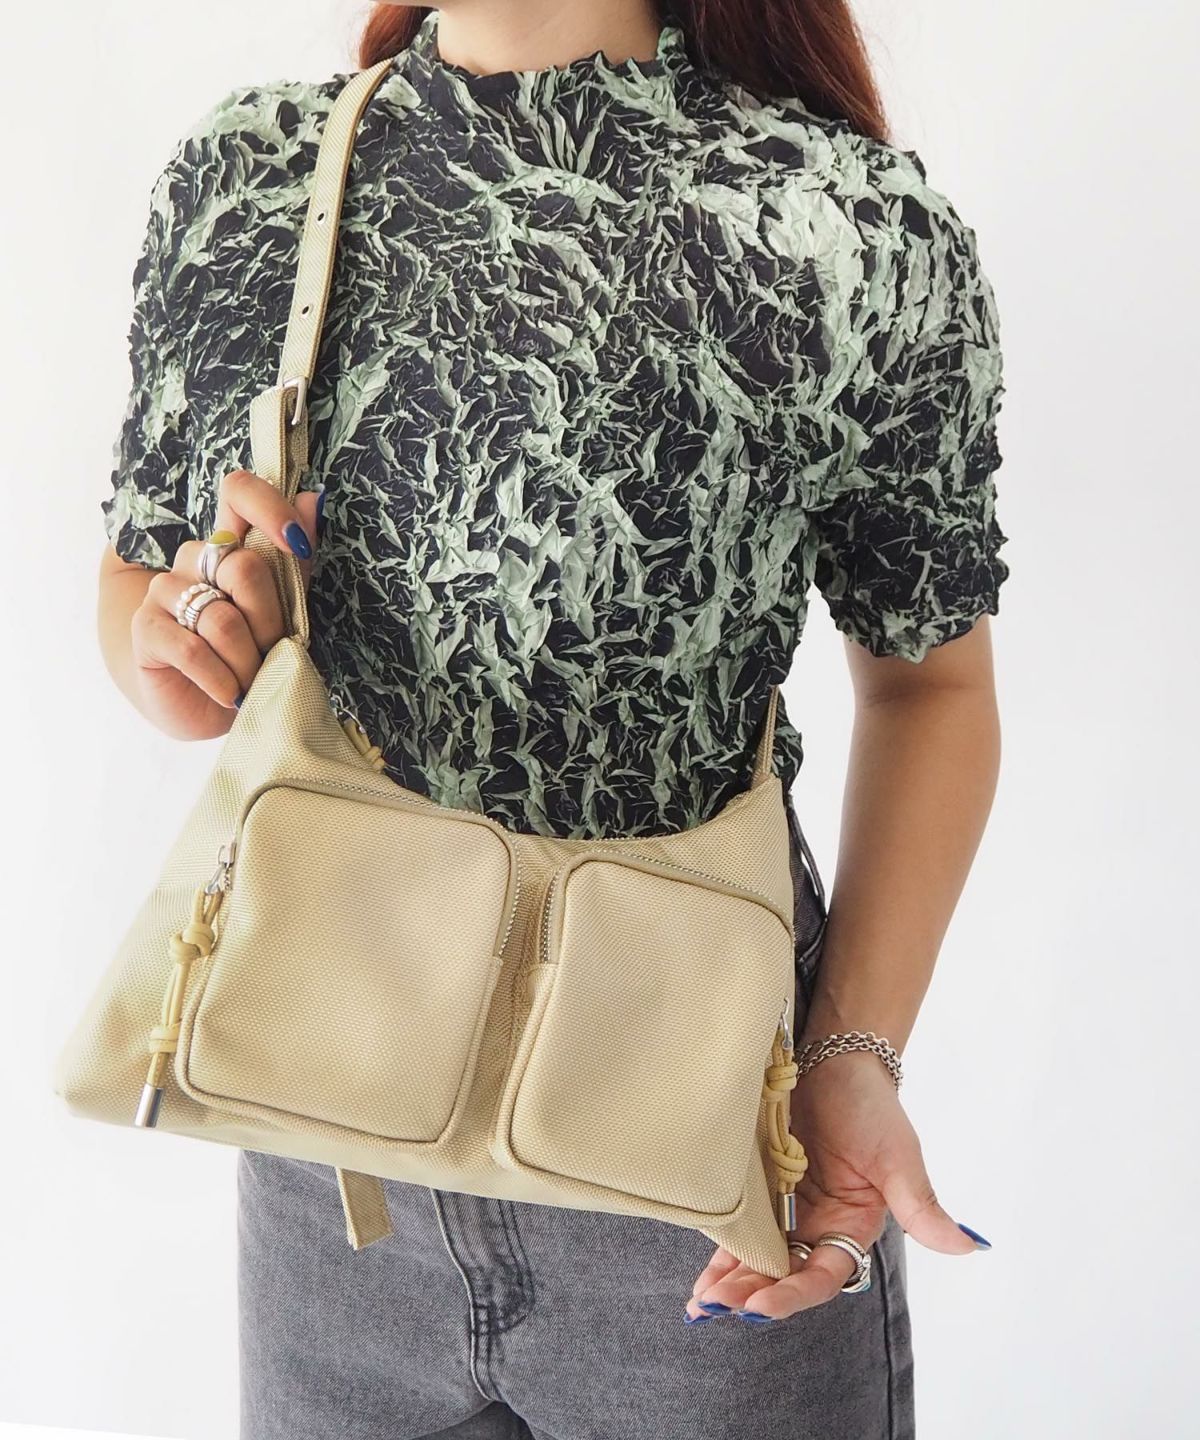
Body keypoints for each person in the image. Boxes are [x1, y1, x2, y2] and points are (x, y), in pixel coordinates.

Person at [95, 2, 1008, 1436]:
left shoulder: (840, 229)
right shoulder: (256, 172)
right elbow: (141, 579)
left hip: (705, 1164)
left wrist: (850, 1060)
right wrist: (183, 650)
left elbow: (930, 684)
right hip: (331, 1149)